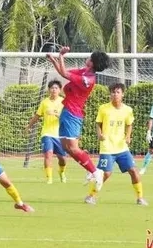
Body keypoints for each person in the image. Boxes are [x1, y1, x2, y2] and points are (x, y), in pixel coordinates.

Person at [46, 47, 110, 191]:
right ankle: (90, 169)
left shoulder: (88, 79)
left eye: (90, 57)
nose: (88, 58)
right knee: (66, 147)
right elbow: (63, 72)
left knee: (73, 148)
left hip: (73, 113)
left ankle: (96, 172)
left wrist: (61, 55)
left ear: (92, 62)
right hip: (66, 111)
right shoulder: (83, 71)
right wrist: (54, 60)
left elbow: (64, 73)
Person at [84, 83, 148, 206]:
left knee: (134, 170)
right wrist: (99, 134)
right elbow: (98, 123)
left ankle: (140, 198)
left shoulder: (127, 110)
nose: (115, 94)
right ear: (110, 94)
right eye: (113, 92)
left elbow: (129, 124)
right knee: (106, 174)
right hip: (107, 147)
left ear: (122, 94)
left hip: (122, 147)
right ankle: (91, 196)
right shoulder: (103, 108)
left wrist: (128, 136)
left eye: (118, 92)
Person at [26, 80, 68, 184]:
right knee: (48, 154)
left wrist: (56, 114)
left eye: (56, 88)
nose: (54, 90)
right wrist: (28, 126)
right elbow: (37, 115)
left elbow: (67, 118)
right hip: (47, 133)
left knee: (62, 158)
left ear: (59, 90)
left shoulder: (64, 102)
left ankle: (62, 172)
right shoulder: (44, 102)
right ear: (49, 90)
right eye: (52, 88)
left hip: (60, 134)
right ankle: (49, 178)